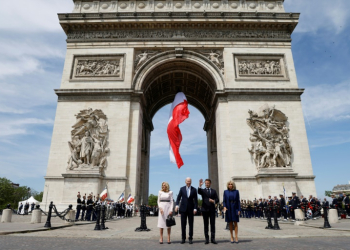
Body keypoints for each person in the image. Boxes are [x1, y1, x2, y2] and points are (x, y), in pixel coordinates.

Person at [175, 177, 198, 244]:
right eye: (187, 181)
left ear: (191, 182)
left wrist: (195, 208)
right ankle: (183, 238)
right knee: (183, 224)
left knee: (191, 224)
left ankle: (190, 238)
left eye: (190, 181)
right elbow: (178, 198)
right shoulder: (182, 189)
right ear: (185, 182)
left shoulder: (194, 189)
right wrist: (177, 205)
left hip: (191, 209)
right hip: (183, 209)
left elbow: (196, 200)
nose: (188, 182)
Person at [198, 178, 219, 244]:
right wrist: (200, 186)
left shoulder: (214, 191)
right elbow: (198, 192)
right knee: (206, 225)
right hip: (205, 209)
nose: (207, 184)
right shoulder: (203, 191)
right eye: (206, 183)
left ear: (210, 184)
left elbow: (217, 199)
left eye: (208, 183)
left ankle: (213, 239)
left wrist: (214, 201)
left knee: (212, 225)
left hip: (212, 210)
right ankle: (207, 239)